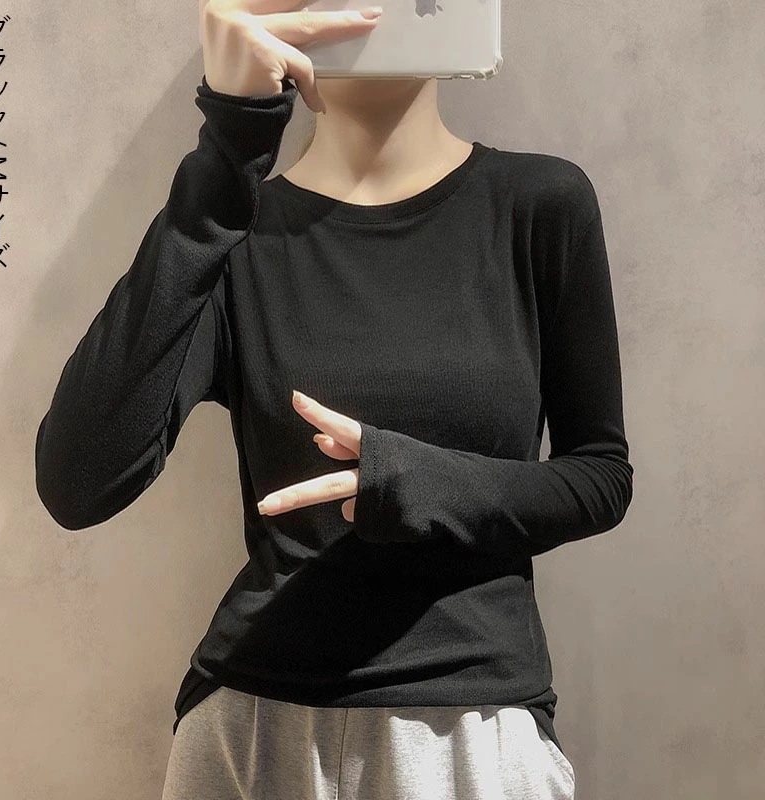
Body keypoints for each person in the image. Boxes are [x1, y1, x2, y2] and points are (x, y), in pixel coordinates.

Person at [34, 1, 634, 798]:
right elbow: (79, 481)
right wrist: (230, 143)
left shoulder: (539, 204)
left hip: (471, 733)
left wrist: (414, 482)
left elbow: (600, 476)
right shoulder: (236, 232)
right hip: (254, 733)